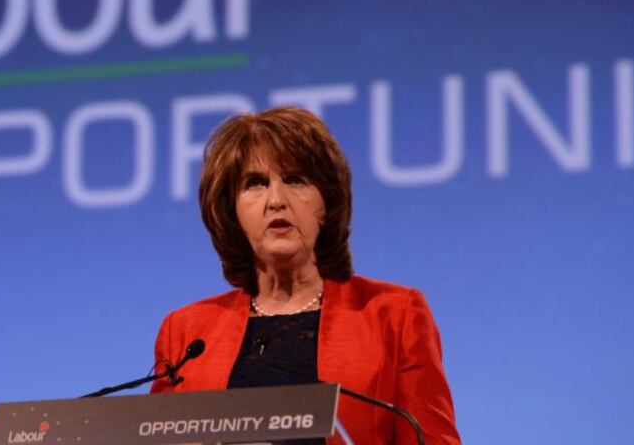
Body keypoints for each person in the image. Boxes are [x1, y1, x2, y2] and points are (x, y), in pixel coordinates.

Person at [151, 106, 460, 445]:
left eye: (295, 180)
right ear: (232, 212)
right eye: (255, 183)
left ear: (326, 205)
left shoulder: (395, 314)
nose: (276, 200)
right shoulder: (186, 333)